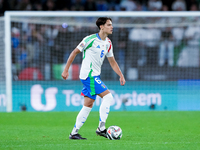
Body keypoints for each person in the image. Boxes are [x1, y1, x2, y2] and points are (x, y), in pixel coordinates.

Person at [61, 17, 126, 140]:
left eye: (111, 25)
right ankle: (101, 128)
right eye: (109, 25)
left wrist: (121, 75)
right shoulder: (90, 39)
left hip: (94, 75)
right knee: (108, 96)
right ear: (101, 26)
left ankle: (74, 133)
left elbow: (112, 62)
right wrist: (66, 70)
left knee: (88, 105)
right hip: (89, 75)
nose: (112, 27)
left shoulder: (108, 43)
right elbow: (74, 52)